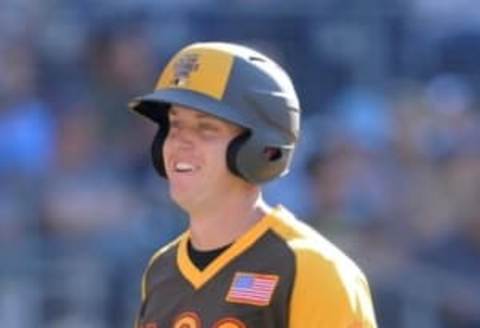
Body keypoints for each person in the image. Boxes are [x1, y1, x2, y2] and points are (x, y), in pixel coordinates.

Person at [129, 42, 377, 328]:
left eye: (206, 127)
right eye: (174, 126)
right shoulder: (162, 269)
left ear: (261, 148)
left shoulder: (312, 270)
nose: (180, 142)